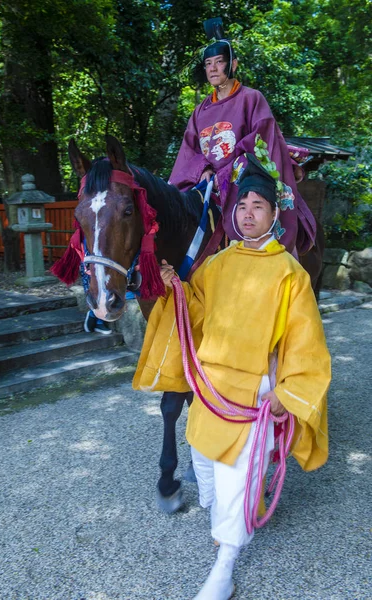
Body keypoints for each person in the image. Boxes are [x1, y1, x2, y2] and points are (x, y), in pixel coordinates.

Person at [133, 154, 331, 600]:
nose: (248, 213)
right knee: (203, 461)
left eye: (258, 206)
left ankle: (224, 565)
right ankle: (231, 515)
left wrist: (290, 390)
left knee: (234, 475)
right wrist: (176, 289)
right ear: (234, 212)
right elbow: (197, 314)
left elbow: (306, 343)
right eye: (242, 206)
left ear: (274, 214)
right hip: (211, 389)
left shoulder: (290, 274)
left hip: (254, 392)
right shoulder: (218, 263)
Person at [169, 18, 316, 257]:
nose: (213, 69)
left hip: (244, 173)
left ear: (233, 65)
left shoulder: (251, 98)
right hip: (207, 184)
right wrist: (202, 169)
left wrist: (226, 172)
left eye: (219, 62)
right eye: (208, 64)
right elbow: (190, 148)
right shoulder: (199, 111)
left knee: (255, 204)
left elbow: (262, 137)